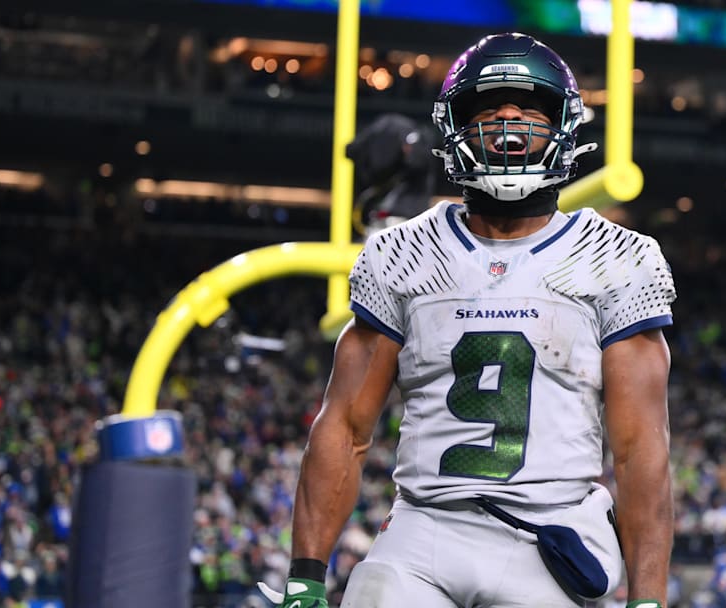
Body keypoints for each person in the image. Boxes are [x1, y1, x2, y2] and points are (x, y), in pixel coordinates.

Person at [260, 32, 677, 608]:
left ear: (564, 125)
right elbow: (344, 429)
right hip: (426, 526)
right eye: (487, 106)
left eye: (530, 106)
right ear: (455, 125)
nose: (508, 117)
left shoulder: (616, 258)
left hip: (550, 531)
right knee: (373, 593)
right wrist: (305, 579)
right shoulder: (400, 253)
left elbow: (640, 452)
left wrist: (649, 598)